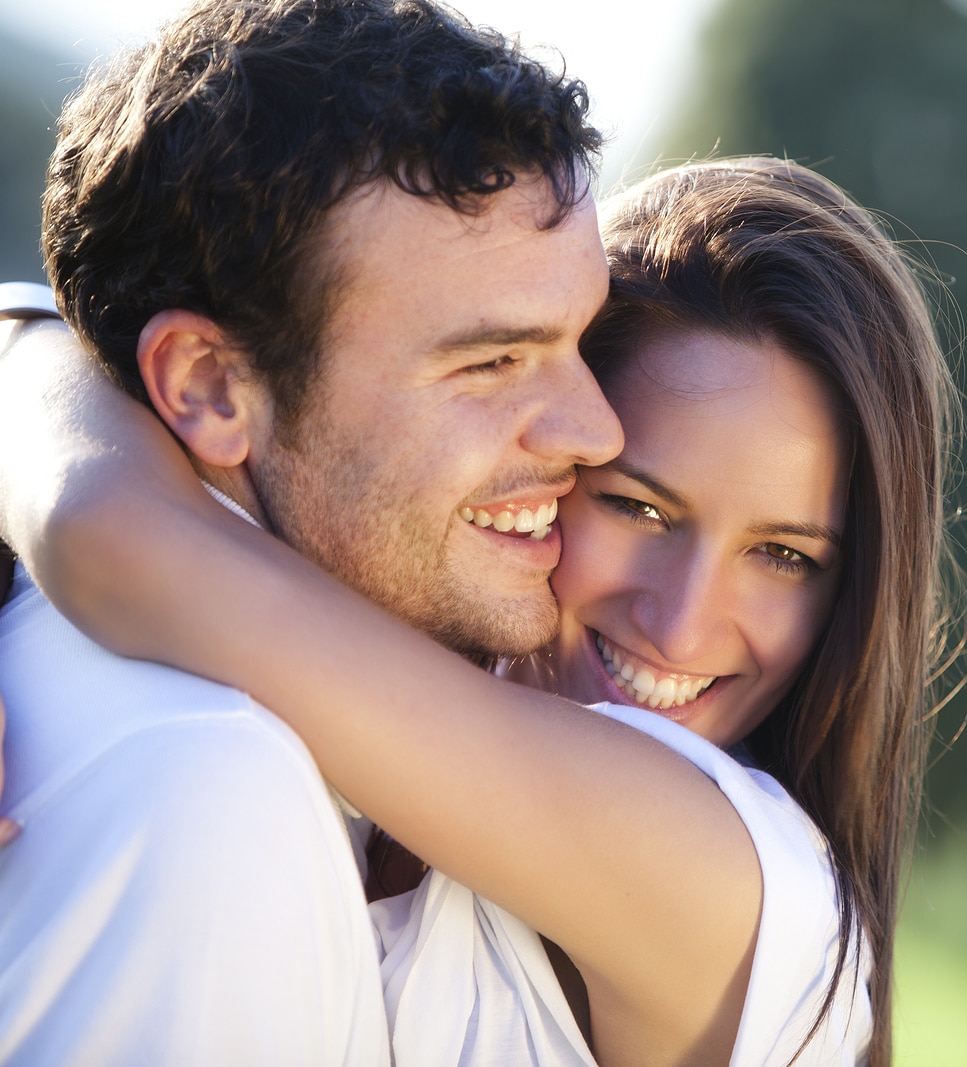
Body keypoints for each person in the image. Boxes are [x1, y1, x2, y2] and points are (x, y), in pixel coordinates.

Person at [1, 156, 967, 1065]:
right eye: (638, 506)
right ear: (546, 463)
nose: (680, 625)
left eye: (784, 556)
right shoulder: (366, 701)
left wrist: (26, 344)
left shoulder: (746, 891)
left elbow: (114, 528)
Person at [0, 0, 623, 1061]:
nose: (597, 431)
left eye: (582, 340)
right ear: (207, 385)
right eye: (488, 362)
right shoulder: (208, 791)